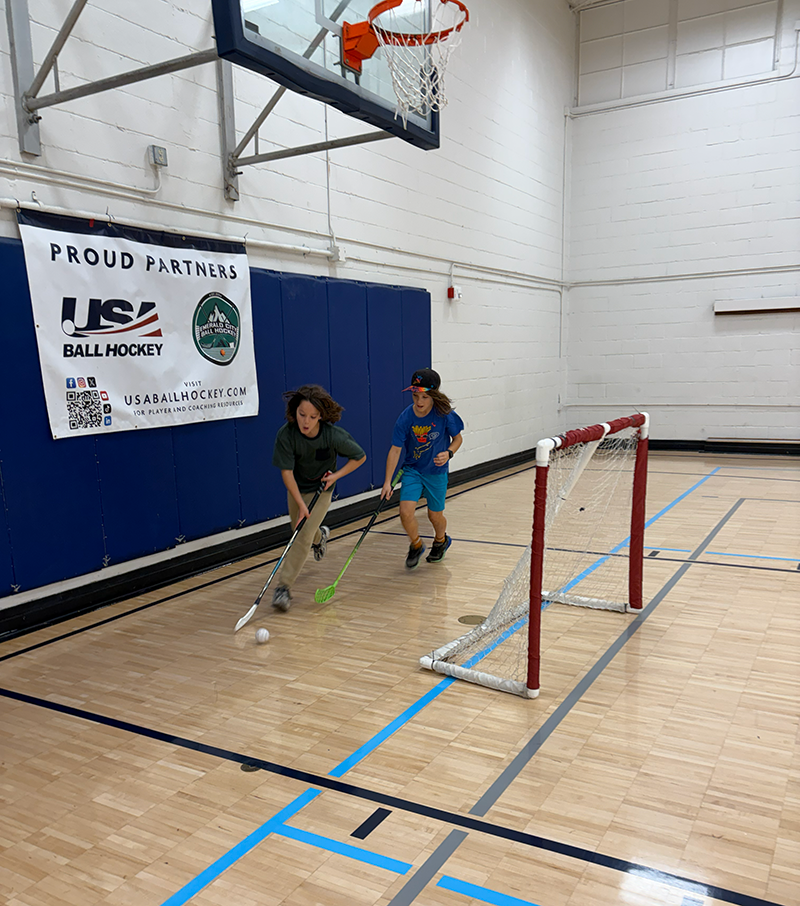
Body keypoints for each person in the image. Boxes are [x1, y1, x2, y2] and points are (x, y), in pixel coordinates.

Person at [271, 384, 366, 610]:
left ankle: (283, 587)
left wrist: (336, 476)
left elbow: (359, 456)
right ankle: (320, 536)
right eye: (302, 415)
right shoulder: (286, 435)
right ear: (294, 412)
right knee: (300, 529)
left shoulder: (333, 436)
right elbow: (286, 473)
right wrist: (301, 504)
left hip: (322, 490)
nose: (306, 421)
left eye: (312, 417)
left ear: (320, 416)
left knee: (301, 536)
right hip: (297, 488)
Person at [381, 368, 464, 569]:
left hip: (436, 472)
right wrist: (387, 482)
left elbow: (458, 439)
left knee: (434, 515)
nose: (419, 401)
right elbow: (394, 450)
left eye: (425, 397)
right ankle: (416, 545)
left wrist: (449, 453)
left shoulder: (444, 415)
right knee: (405, 512)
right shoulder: (406, 417)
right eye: (415, 395)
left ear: (433, 396)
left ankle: (441, 540)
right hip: (413, 470)